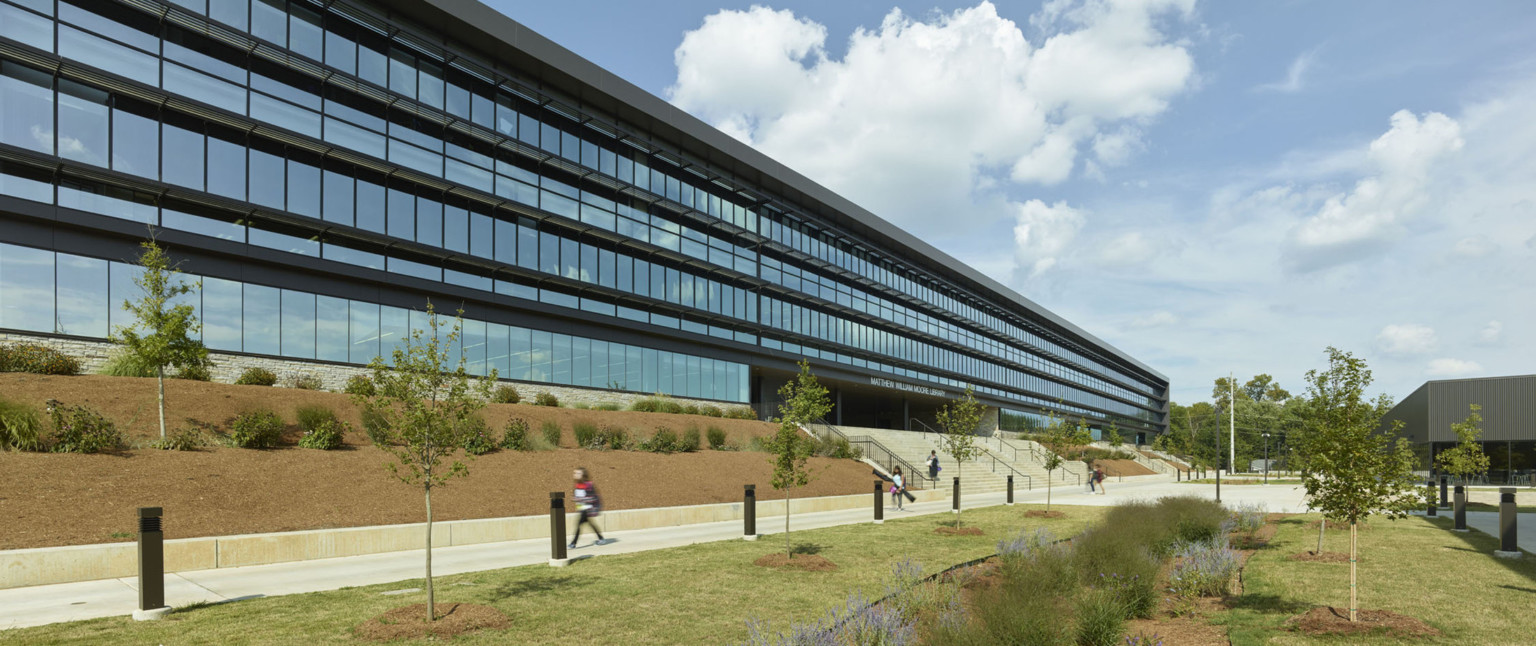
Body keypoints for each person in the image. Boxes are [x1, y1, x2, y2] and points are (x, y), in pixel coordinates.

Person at [569, 467, 606, 548]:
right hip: (581, 508)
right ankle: (601, 538)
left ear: (583, 475)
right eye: (575, 473)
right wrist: (575, 499)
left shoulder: (588, 485)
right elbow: (575, 496)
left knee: (578, 525)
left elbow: (593, 498)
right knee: (591, 524)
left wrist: (578, 499)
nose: (575, 475)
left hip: (587, 509)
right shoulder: (577, 485)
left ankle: (573, 543)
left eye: (578, 473)